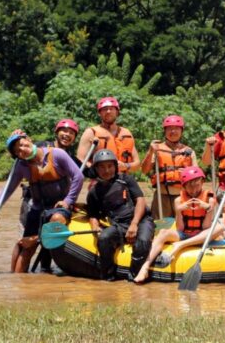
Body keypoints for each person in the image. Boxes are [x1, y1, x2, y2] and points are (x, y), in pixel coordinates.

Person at [0, 129, 83, 273]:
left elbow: (78, 177)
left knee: (56, 218)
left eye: (22, 144)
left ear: (29, 139)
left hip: (59, 206)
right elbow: (8, 188)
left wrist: (68, 200)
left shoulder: (57, 154)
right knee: (25, 250)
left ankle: (36, 240)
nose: (22, 150)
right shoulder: (21, 166)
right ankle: (17, 283)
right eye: (17, 151)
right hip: (38, 208)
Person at [132, 165, 216, 284]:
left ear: (202, 182)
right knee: (162, 232)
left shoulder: (210, 200)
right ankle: (145, 267)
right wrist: (179, 211)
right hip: (184, 234)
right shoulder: (178, 200)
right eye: (190, 186)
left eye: (197, 185)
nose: (194, 190)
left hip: (202, 235)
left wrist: (208, 209)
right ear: (184, 186)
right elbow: (180, 228)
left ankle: (180, 245)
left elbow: (206, 228)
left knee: (219, 227)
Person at [21, 118, 82, 272]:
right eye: (64, 131)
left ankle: (45, 270)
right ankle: (20, 276)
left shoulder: (71, 158)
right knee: (28, 244)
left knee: (48, 244)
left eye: (71, 133)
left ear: (74, 138)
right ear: (56, 133)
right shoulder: (41, 146)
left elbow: (84, 175)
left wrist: (69, 201)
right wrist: (20, 136)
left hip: (55, 206)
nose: (67, 135)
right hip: (33, 204)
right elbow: (23, 149)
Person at [85, 149, 155, 281]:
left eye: (110, 166)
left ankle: (134, 275)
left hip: (140, 220)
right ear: (96, 169)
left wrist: (134, 224)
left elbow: (140, 200)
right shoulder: (94, 192)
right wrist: (95, 226)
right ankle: (109, 275)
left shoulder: (126, 180)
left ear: (115, 166)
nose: (106, 170)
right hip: (119, 225)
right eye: (102, 167)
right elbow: (93, 214)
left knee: (143, 242)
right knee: (104, 238)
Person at [77, 96, 139, 191]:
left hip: (123, 182)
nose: (108, 111)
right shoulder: (91, 132)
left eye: (111, 109)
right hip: (100, 182)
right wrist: (101, 170)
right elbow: (81, 160)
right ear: (100, 113)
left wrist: (125, 166)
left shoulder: (126, 133)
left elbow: (137, 164)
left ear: (117, 112)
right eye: (105, 109)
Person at [139, 115, 195, 219]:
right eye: (169, 128)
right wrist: (150, 152)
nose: (173, 131)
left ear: (182, 131)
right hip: (162, 196)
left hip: (183, 196)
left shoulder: (189, 151)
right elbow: (144, 170)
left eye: (176, 128)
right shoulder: (156, 149)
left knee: (183, 228)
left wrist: (188, 174)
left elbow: (197, 179)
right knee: (160, 227)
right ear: (164, 131)